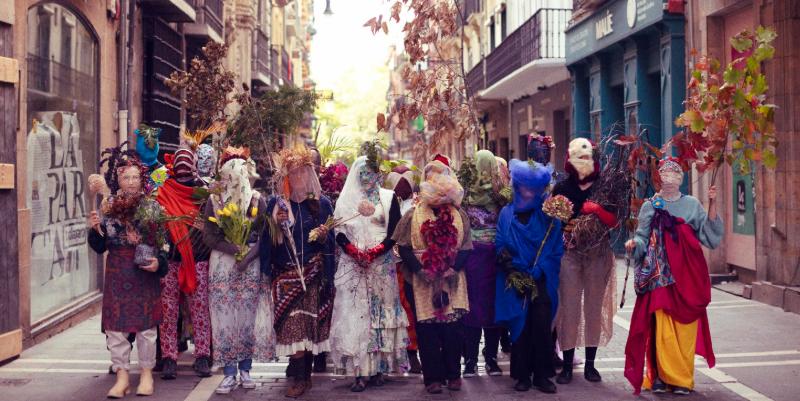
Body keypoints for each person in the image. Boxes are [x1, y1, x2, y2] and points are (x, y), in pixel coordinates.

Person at [624, 158, 722, 396]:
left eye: (674, 173)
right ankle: (659, 376)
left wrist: (713, 203)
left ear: (681, 178)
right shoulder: (650, 205)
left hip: (688, 274)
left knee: (685, 327)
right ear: (659, 177)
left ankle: (681, 379)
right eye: (665, 173)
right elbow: (642, 236)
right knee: (660, 325)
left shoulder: (692, 205)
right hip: (660, 275)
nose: (669, 177)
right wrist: (633, 245)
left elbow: (709, 237)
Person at [88, 144, 170, 398]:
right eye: (126, 177)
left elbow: (164, 244)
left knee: (146, 328)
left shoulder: (152, 206)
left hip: (143, 272)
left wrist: (159, 264)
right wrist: (95, 229)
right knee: (116, 328)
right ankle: (122, 375)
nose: (132, 182)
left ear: (141, 179)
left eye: (135, 177)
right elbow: (99, 247)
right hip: (117, 271)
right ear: (118, 179)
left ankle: (146, 374)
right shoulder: (108, 206)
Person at [329, 153, 410, 392]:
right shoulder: (345, 200)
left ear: (379, 174)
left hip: (380, 265)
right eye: (363, 173)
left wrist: (375, 252)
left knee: (379, 316)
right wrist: (353, 250)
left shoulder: (388, 197)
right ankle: (359, 372)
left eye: (372, 172)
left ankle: (378, 370)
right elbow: (339, 231)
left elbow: (394, 231)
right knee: (357, 317)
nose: (368, 177)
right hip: (352, 266)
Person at [261, 146, 336, 398]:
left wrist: (329, 273)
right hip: (285, 276)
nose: (297, 178)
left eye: (302, 173)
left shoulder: (322, 204)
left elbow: (330, 243)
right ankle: (300, 377)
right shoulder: (276, 204)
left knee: (308, 329)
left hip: (313, 275)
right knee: (292, 328)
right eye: (292, 173)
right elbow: (266, 241)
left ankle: (304, 377)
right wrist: (278, 226)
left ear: (309, 174)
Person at [393, 158, 472, 394]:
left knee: (453, 330)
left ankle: (453, 375)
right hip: (421, 280)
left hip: (452, 280)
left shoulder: (460, 214)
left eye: (442, 176)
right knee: (427, 332)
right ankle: (432, 379)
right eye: (432, 177)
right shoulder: (412, 215)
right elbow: (404, 247)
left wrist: (453, 268)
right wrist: (420, 270)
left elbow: (466, 247)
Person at [203, 148, 275, 395]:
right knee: (224, 319)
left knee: (246, 318)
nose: (233, 181)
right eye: (229, 176)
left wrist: (248, 256)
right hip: (223, 265)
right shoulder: (214, 201)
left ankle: (246, 369)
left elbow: (265, 237)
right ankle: (228, 372)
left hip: (250, 265)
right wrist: (233, 248)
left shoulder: (258, 201)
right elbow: (209, 236)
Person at [552, 138, 618, 384]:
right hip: (569, 254)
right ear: (569, 160)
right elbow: (553, 222)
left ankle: (591, 364)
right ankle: (567, 365)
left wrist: (597, 210)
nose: (582, 162)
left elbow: (615, 221)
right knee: (568, 307)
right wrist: (566, 227)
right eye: (577, 157)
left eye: (586, 157)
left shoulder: (605, 186)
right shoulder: (561, 189)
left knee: (593, 308)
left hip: (598, 253)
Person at [494, 159, 563, 394]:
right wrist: (513, 271)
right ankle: (522, 375)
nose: (529, 192)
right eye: (525, 187)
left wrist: (541, 268)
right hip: (515, 277)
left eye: (534, 188)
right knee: (520, 328)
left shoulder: (548, 214)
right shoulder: (507, 213)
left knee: (542, 326)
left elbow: (555, 247)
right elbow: (500, 245)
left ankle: (543, 375)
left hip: (541, 277)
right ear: (518, 186)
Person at [155, 146, 213, 379]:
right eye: (178, 163)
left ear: (194, 166)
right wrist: (159, 167)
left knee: (199, 310)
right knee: (168, 312)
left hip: (198, 259)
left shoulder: (203, 192)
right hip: (170, 260)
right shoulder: (163, 189)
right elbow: (148, 180)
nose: (183, 167)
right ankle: (168, 357)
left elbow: (213, 222)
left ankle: (203, 356)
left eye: (187, 162)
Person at [460, 150, 506, 378]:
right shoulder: (467, 195)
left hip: (487, 259)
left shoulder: (496, 195)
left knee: (489, 308)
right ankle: (478, 360)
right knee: (478, 308)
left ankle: (483, 359)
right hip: (480, 258)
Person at [383, 166, 422, 373]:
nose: (401, 188)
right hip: (384, 264)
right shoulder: (384, 202)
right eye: (397, 184)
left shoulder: (416, 205)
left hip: (406, 267)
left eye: (405, 184)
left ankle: (412, 353)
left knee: (408, 310)